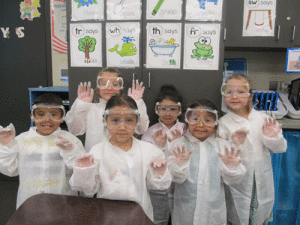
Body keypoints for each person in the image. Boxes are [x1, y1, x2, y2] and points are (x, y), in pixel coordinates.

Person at [69, 94, 173, 222]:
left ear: (137, 121)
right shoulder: (97, 151)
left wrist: (159, 174)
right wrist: (84, 172)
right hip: (106, 216)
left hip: (140, 215)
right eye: (115, 120)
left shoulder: (149, 151)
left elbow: (157, 187)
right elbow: (89, 190)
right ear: (105, 121)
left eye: (129, 120)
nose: (122, 127)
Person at [218, 73, 287, 225]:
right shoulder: (223, 123)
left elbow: (280, 148)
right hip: (238, 180)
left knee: (259, 215)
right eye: (229, 92)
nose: (234, 96)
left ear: (250, 96)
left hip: (261, 177)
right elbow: (221, 155)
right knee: (237, 215)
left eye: (240, 92)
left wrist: (272, 137)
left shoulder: (263, 119)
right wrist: (235, 144)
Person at [166, 99, 246, 225]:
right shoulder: (177, 145)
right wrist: (179, 165)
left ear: (215, 125)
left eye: (208, 120)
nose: (201, 125)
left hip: (213, 213)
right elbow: (174, 178)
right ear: (187, 121)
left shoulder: (224, 147)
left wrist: (231, 168)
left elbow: (234, 180)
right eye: (195, 119)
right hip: (185, 212)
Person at [0, 93, 86, 208]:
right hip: (29, 201)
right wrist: (7, 147)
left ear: (62, 117)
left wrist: (72, 152)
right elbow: (9, 169)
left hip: (62, 201)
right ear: (32, 116)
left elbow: (82, 172)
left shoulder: (70, 141)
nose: (47, 120)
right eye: (40, 114)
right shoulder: (21, 140)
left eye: (54, 114)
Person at [65, 67, 149, 152]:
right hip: (96, 158)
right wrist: (81, 106)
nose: (109, 88)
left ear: (121, 87)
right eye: (104, 84)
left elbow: (141, 129)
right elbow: (76, 130)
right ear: (98, 87)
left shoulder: (126, 110)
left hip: (123, 156)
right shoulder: (91, 109)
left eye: (115, 84)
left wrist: (137, 103)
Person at [141, 84, 184, 225]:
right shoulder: (150, 132)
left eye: (173, 109)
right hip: (158, 189)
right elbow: (146, 161)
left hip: (181, 187)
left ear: (179, 110)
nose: (168, 113)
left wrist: (176, 144)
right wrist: (159, 147)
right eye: (163, 109)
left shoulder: (186, 130)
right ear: (157, 110)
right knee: (159, 220)